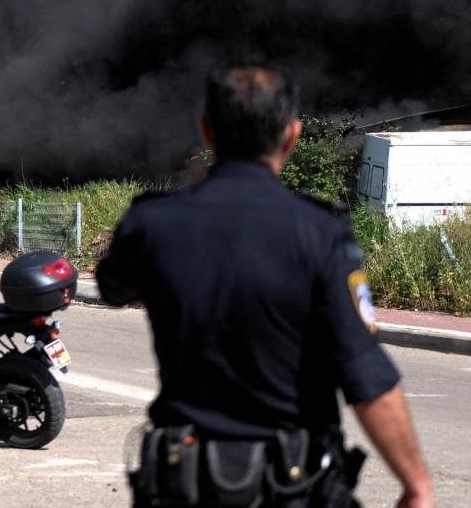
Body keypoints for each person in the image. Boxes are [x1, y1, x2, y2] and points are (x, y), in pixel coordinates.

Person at [97, 67, 433, 508]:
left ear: (206, 130)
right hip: (290, 487)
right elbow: (365, 375)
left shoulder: (152, 222)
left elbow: (112, 287)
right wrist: (416, 484)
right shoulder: (319, 233)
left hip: (184, 486)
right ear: (292, 134)